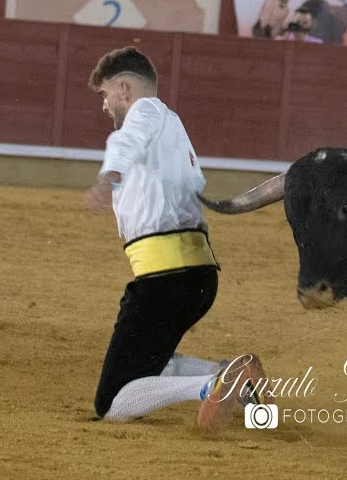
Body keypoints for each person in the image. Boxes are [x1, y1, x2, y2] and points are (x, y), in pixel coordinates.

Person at [84, 47, 272, 430]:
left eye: (105, 94)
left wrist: (109, 177)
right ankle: (234, 375)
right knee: (153, 362)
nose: (104, 106)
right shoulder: (172, 126)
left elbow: (125, 141)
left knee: (113, 402)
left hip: (164, 278)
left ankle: (211, 385)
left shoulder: (145, 112)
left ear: (124, 88)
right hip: (197, 274)